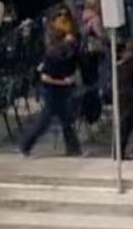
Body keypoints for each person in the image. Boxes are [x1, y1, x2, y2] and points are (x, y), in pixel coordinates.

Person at [18, 10, 84, 157]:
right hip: (51, 89)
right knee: (45, 119)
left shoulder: (70, 52)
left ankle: (73, 148)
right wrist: (63, 82)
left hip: (62, 88)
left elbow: (75, 62)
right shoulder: (53, 54)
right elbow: (45, 77)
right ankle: (25, 144)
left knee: (66, 118)